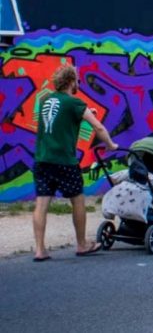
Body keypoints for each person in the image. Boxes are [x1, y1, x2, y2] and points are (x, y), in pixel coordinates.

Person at [32, 65, 119, 261]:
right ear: (71, 82)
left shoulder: (46, 99)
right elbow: (97, 127)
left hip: (42, 160)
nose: (78, 84)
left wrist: (87, 112)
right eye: (78, 81)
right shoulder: (74, 103)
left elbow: (59, 120)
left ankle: (40, 250)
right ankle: (82, 244)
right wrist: (111, 145)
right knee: (77, 199)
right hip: (64, 161)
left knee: (41, 202)